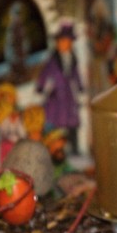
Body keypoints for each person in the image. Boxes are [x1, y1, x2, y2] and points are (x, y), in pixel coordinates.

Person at [37, 21, 83, 154]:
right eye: (61, 42)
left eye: (67, 42)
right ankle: (55, 148)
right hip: (56, 94)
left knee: (72, 121)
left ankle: (74, 148)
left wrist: (80, 87)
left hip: (68, 94)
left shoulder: (73, 59)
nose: (64, 45)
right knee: (55, 121)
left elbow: (75, 75)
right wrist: (41, 86)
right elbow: (45, 73)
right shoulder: (53, 60)